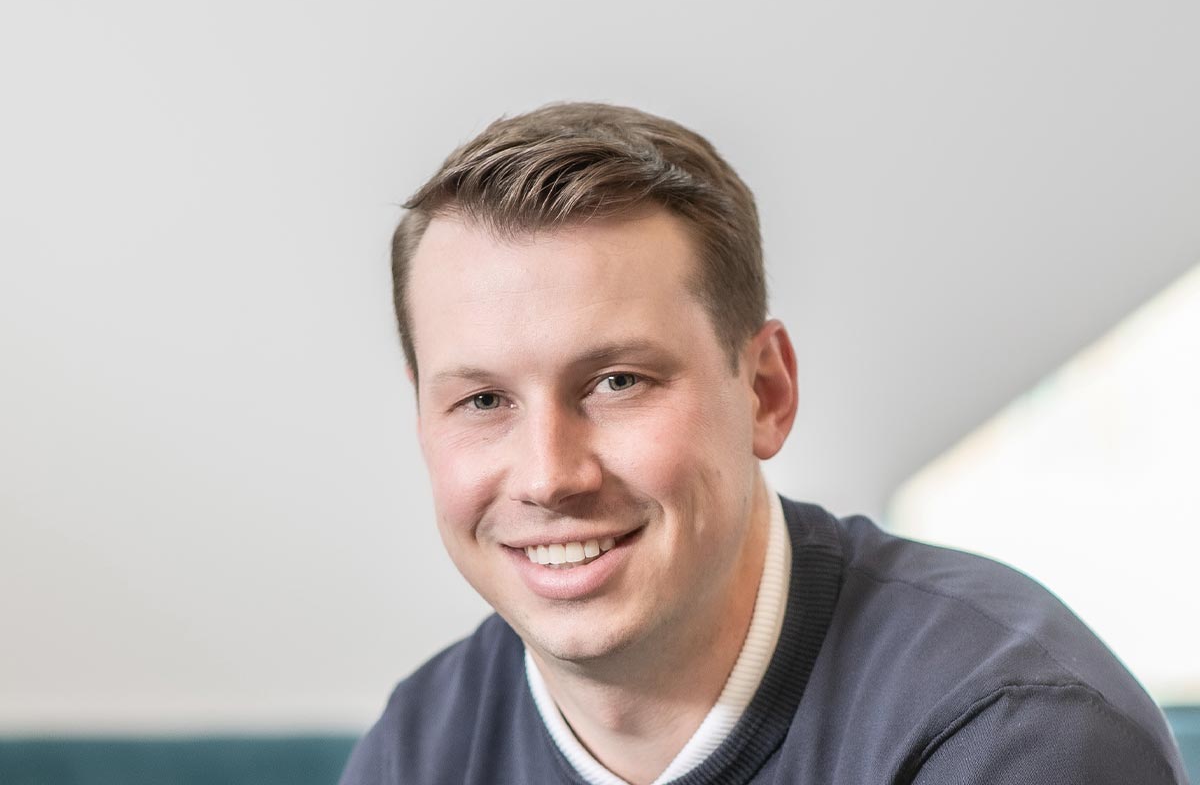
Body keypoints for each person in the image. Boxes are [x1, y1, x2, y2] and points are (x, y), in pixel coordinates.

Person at [339, 102, 1190, 785]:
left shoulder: (1017, 737)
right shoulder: (423, 746)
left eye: (618, 382)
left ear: (766, 393)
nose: (549, 475)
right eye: (483, 399)